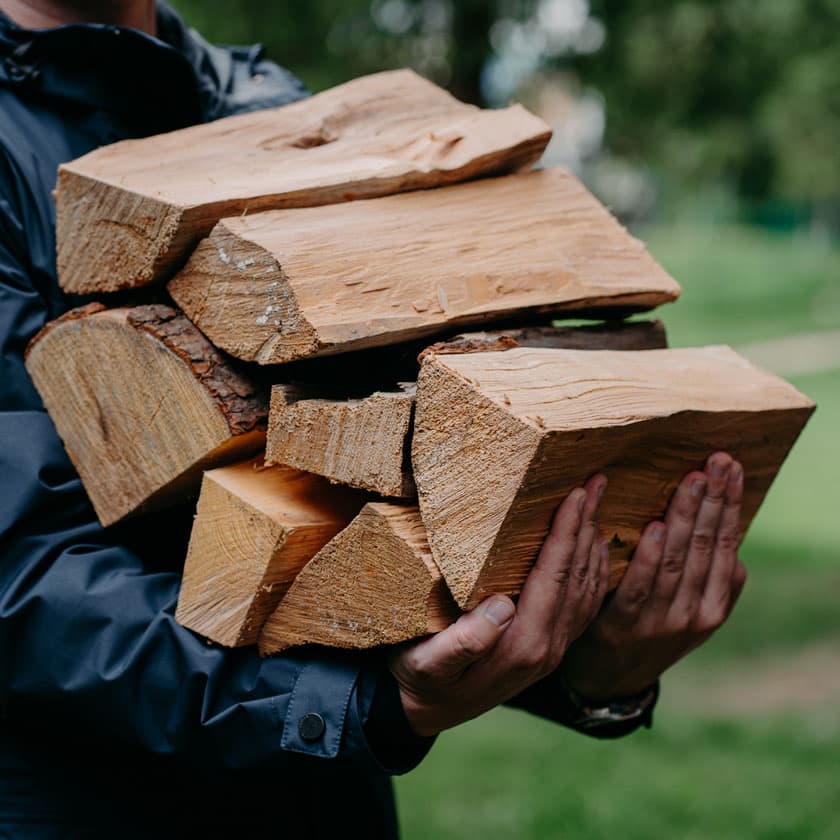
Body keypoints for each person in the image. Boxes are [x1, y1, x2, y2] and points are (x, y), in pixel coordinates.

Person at [0, 1, 747, 836]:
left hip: (323, 809)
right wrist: (362, 705)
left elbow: (413, 482)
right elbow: (20, 574)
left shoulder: (272, 108)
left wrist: (587, 668)